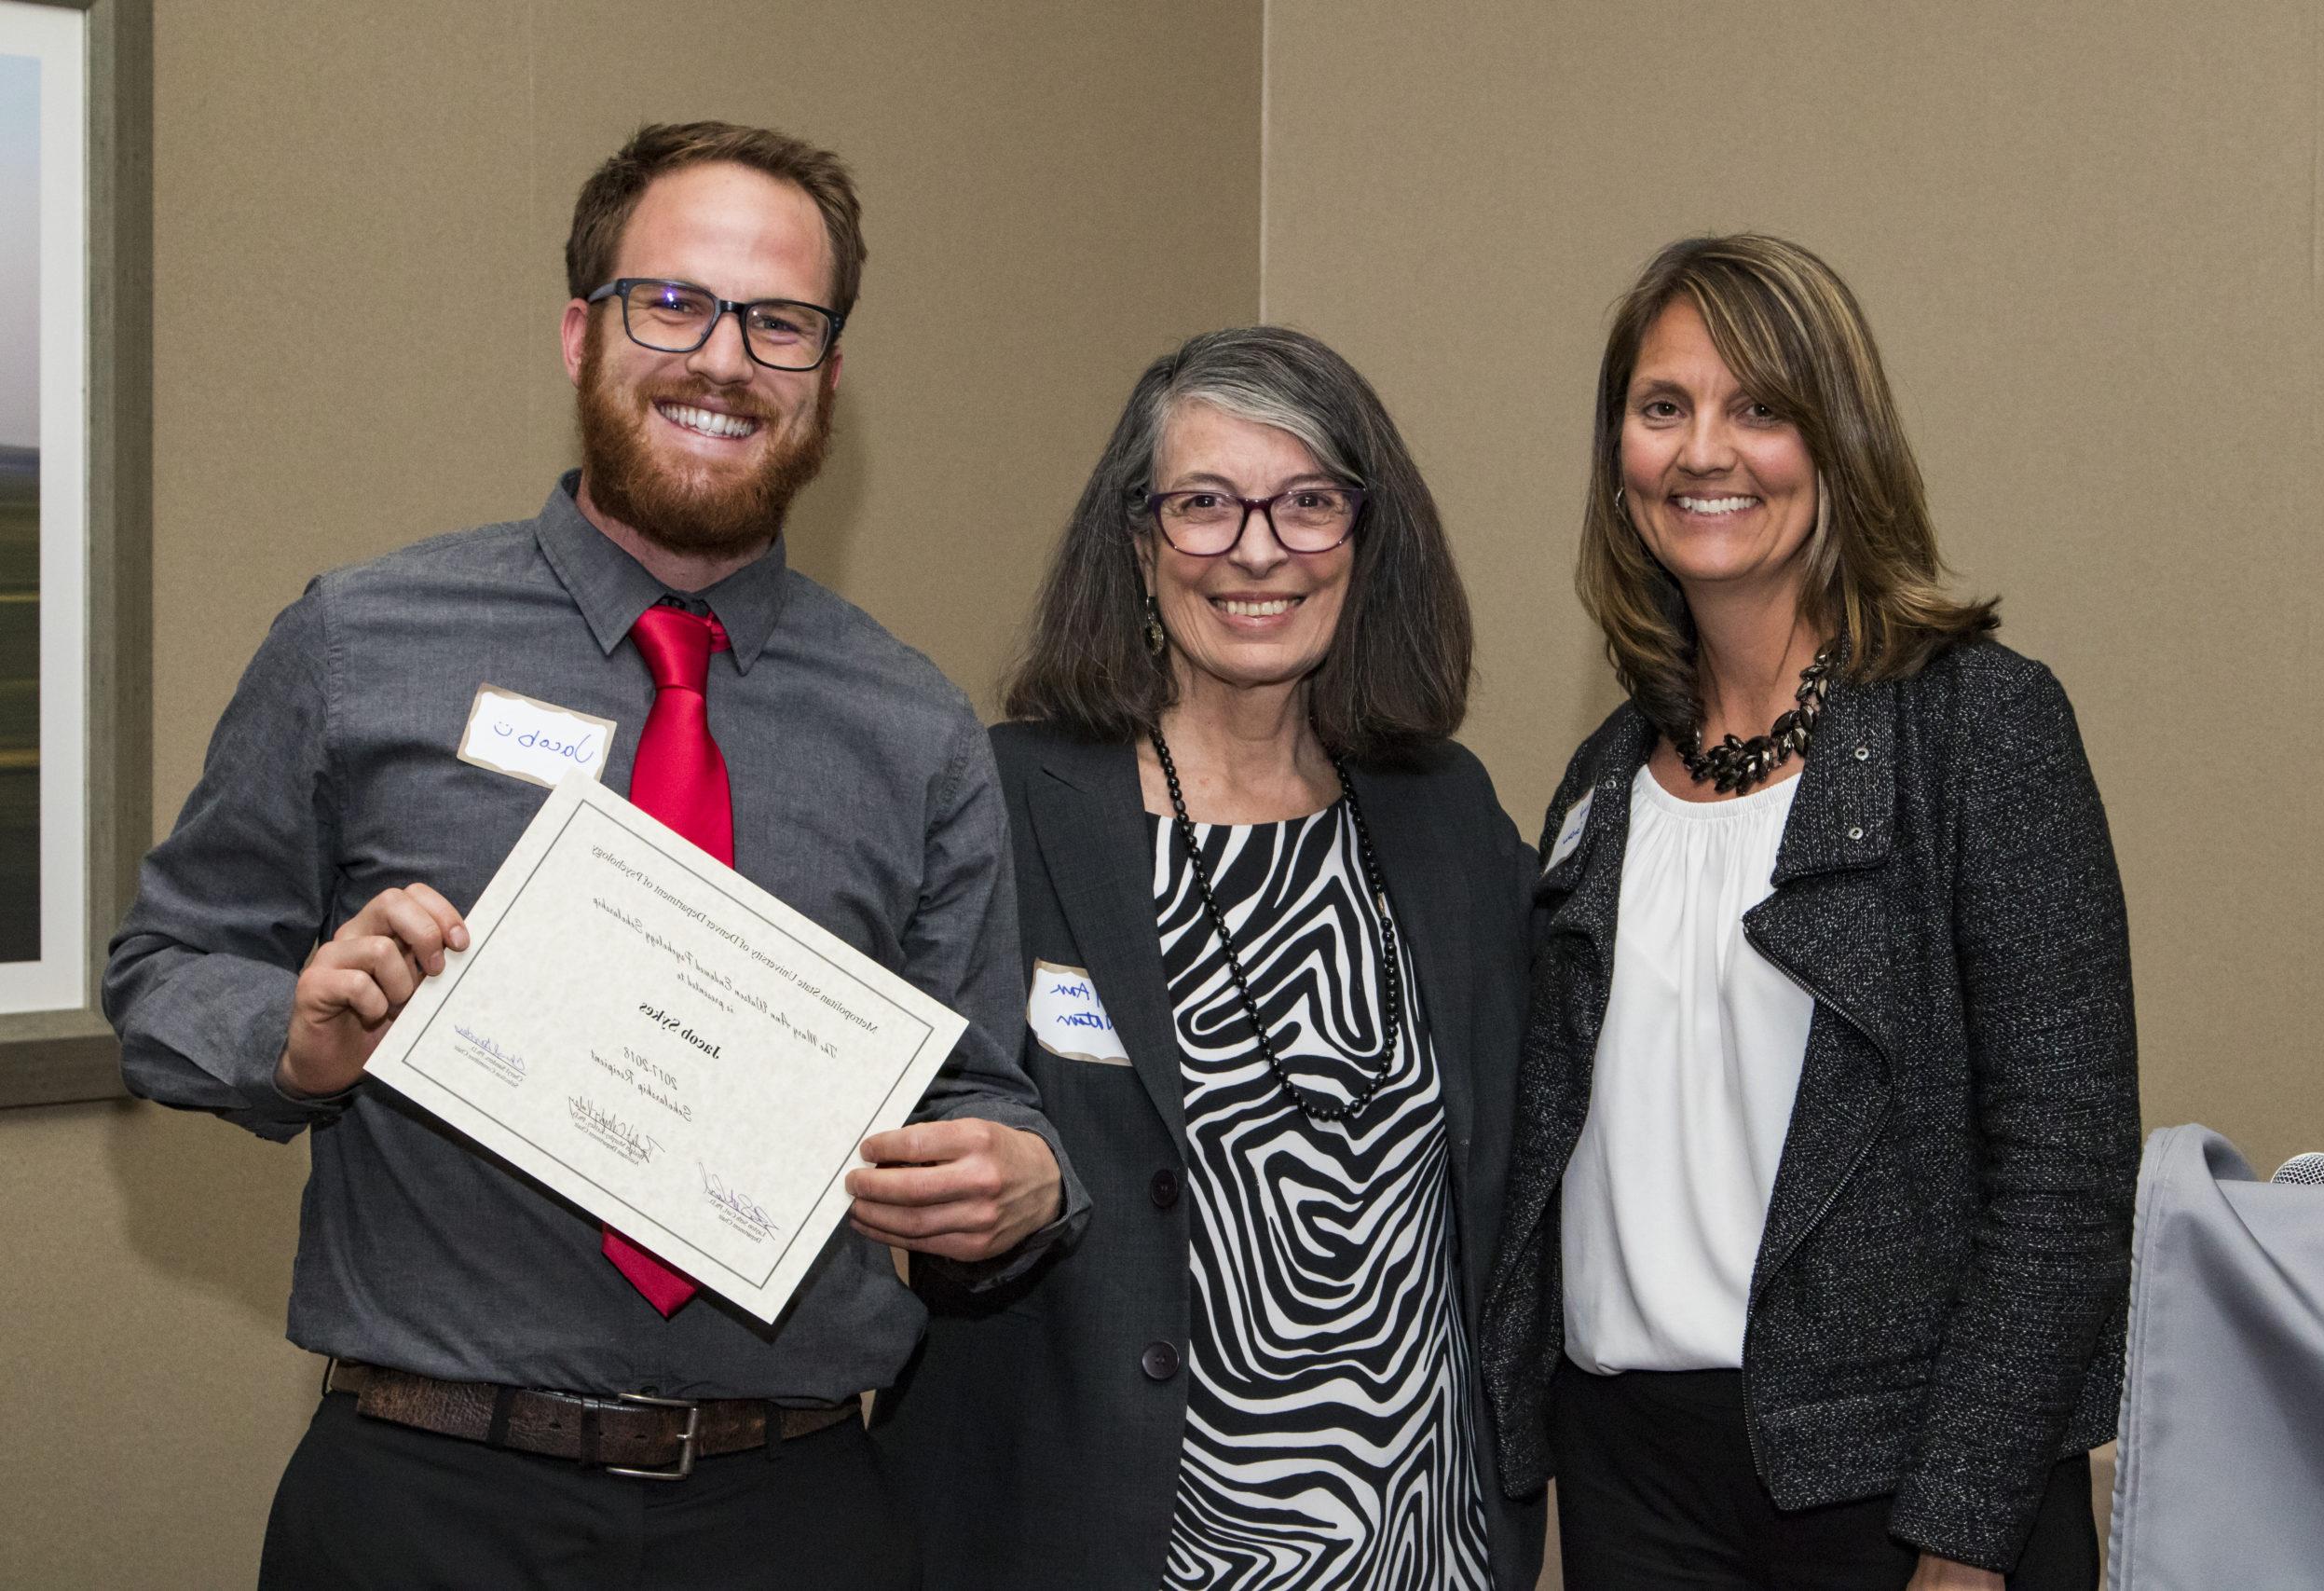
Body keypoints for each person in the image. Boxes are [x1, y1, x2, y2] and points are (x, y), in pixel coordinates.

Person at [103, 121, 1084, 1591]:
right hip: (428, 1502)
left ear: (827, 374)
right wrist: (292, 1040)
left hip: (795, 1510)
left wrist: (1022, 1181)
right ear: (581, 332)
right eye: (671, 304)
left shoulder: (917, 727)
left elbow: (977, 1092)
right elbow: (166, 971)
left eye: (781, 323)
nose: (723, 358)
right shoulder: (360, 641)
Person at [1481, 236, 2139, 1591]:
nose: (1704, 451)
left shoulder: (1979, 728)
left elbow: (2066, 1176)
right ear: (1620, 456)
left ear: (1839, 444)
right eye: (1664, 408)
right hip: (1633, 1484)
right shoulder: (1602, 777)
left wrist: (1966, 1528)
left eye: (1760, 408)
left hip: (1904, 1492)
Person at [872, 327, 1546, 1589]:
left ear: (1364, 535)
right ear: (1137, 543)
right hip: (1105, 1546)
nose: (1255, 548)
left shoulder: (1443, 814)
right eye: (1202, 505)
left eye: (1307, 503)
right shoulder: (1007, 803)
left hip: (1422, 1553)